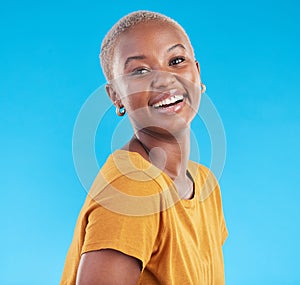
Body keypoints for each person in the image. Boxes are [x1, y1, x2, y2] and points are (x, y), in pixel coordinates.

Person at [60, 10, 228, 285]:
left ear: (197, 74)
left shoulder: (205, 184)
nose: (164, 79)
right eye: (140, 71)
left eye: (176, 61)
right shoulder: (132, 187)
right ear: (116, 96)